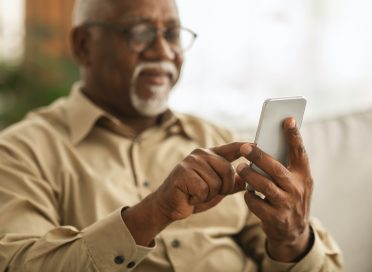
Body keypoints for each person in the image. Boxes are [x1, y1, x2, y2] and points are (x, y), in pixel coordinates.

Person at [0, 0, 343, 271]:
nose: (163, 51)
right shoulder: (20, 152)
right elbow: (19, 265)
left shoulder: (219, 140)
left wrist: (293, 235)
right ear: (83, 45)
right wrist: (154, 213)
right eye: (140, 32)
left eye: (173, 34)